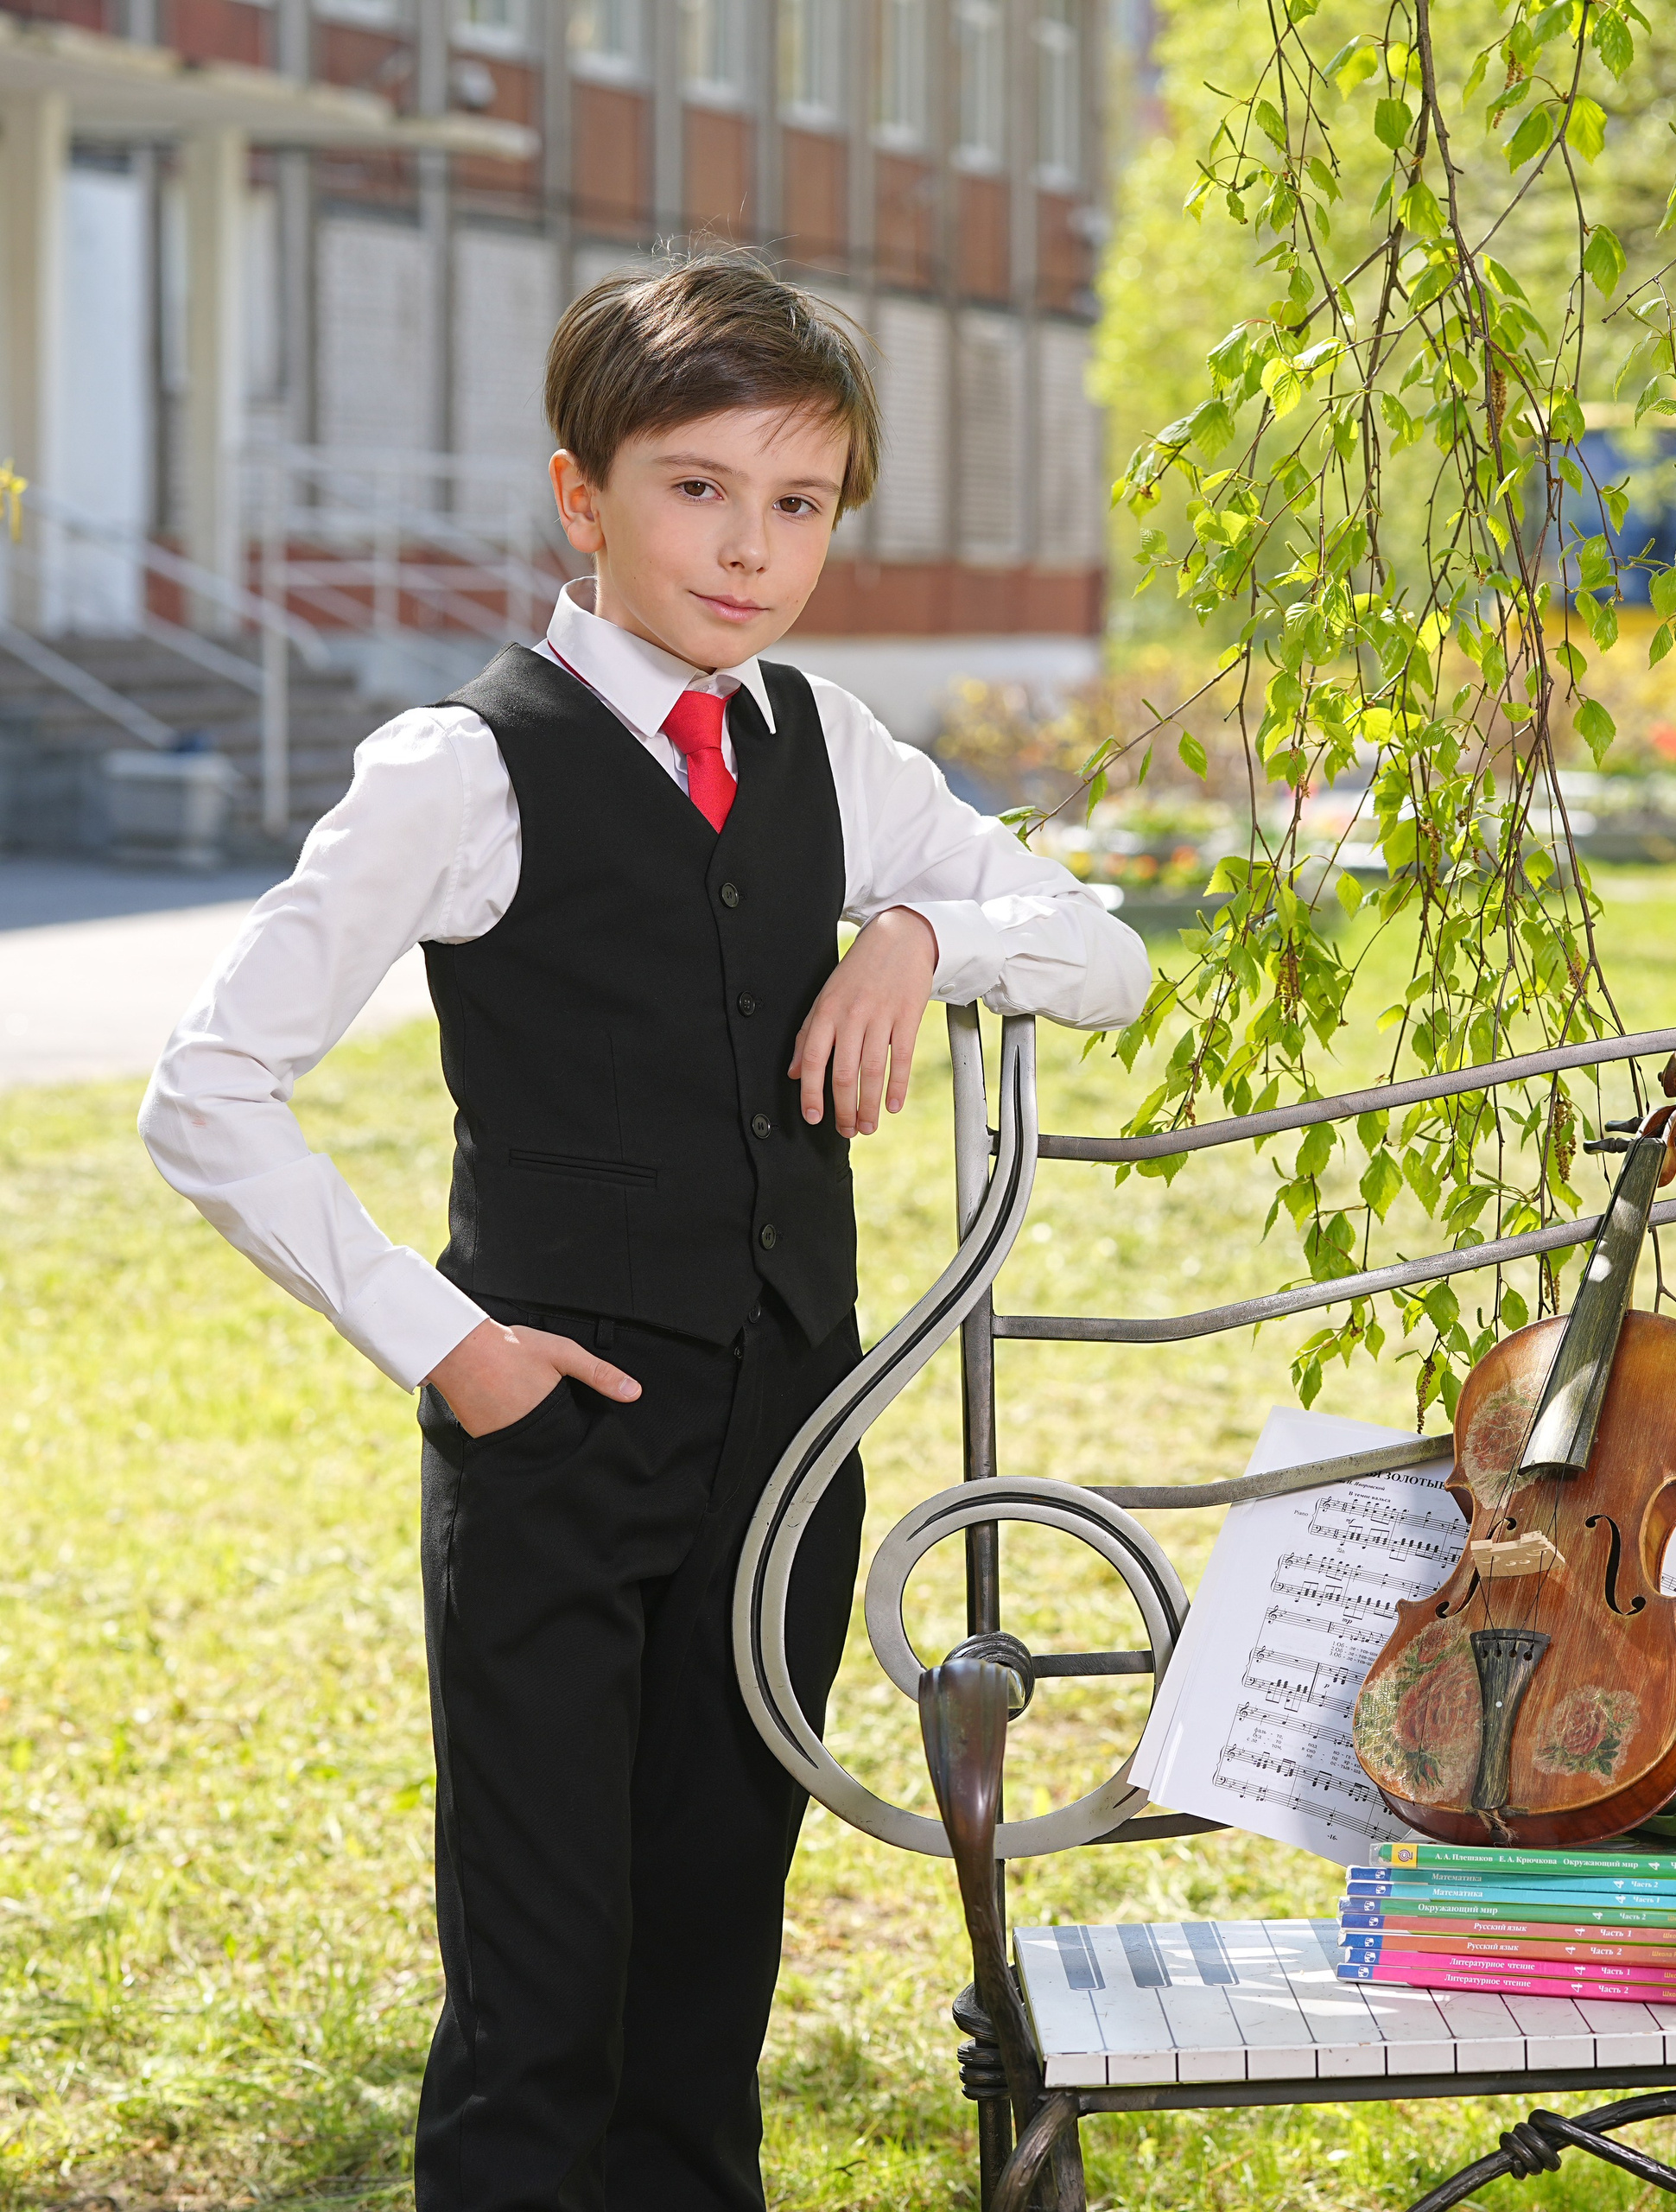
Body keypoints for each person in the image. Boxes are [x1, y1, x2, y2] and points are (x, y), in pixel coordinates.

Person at [140, 251, 1149, 2212]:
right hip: (555, 1444)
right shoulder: (458, 769)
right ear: (580, 495)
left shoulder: (824, 749)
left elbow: (1100, 948)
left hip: (786, 1452)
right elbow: (209, 1092)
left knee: (706, 1986)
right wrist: (450, 1344)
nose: (752, 549)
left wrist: (923, 931)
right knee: (541, 2009)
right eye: (698, 488)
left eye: (799, 504)